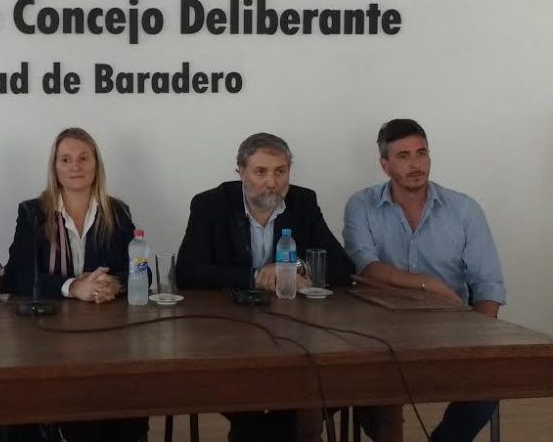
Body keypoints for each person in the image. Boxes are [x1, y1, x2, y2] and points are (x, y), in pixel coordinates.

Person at [176, 132, 355, 442]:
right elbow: (188, 272)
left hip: (293, 330)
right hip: (229, 333)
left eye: (280, 171)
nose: (272, 182)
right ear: (241, 172)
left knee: (333, 381)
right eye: (261, 172)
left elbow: (343, 267)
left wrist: (294, 268)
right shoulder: (211, 204)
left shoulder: (303, 202)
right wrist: (257, 275)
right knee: (251, 396)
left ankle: (259, 433)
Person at [344, 119, 505, 442]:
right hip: (381, 334)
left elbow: (488, 284)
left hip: (452, 332)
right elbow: (365, 267)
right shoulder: (361, 205)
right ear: (385, 165)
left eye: (421, 153)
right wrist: (426, 284)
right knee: (359, 392)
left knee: (485, 393)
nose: (416, 164)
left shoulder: (464, 209)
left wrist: (480, 341)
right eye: (403, 156)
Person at [1, 127, 147, 442]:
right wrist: (72, 287)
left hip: (106, 335)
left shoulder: (117, 212)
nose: (75, 166)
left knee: (120, 400)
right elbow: (15, 278)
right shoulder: (33, 213)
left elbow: (141, 271)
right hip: (45, 337)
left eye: (83, 158)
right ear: (54, 167)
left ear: (96, 165)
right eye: (65, 159)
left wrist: (115, 285)